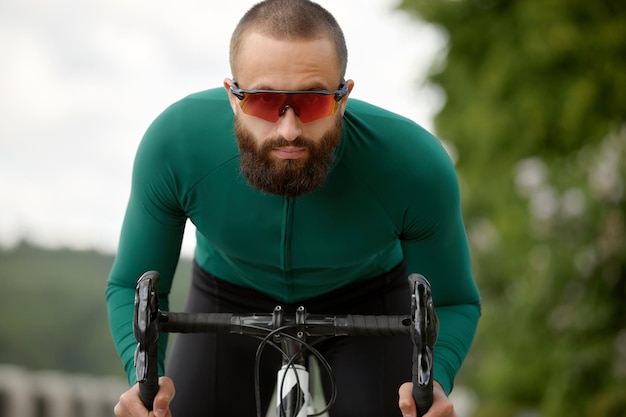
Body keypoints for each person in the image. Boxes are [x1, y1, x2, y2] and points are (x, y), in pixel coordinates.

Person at [106, 0, 480, 416]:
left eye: (314, 101)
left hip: (369, 302)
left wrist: (433, 383)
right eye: (265, 101)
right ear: (233, 96)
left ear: (343, 97)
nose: (289, 129)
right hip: (225, 296)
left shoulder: (415, 165)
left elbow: (453, 300)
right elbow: (130, 285)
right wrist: (144, 382)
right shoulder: (175, 144)